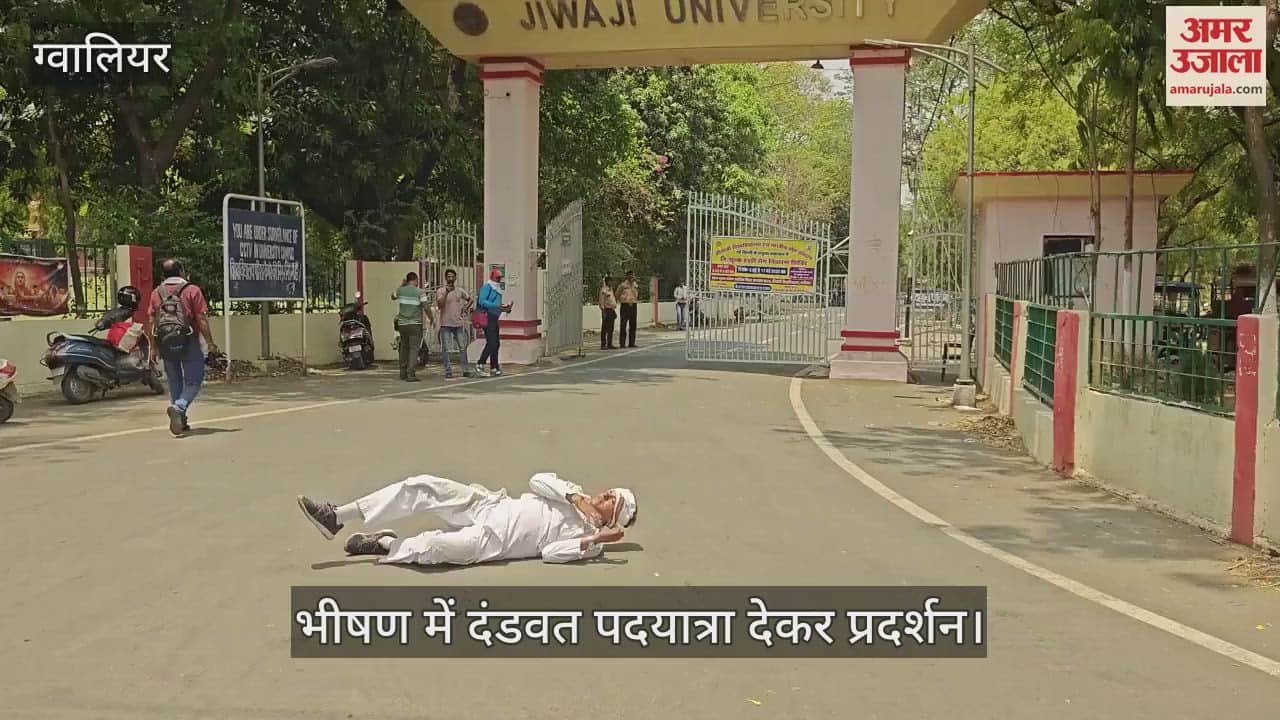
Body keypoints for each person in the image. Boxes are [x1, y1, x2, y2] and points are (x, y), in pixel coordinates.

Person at [296, 472, 638, 565]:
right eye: (609, 491)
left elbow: (550, 554)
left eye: (612, 499)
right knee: (423, 485)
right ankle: (337, 516)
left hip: (496, 543)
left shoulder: (593, 546)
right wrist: (573, 497)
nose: (604, 494)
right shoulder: (574, 492)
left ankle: (384, 543)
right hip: (490, 504)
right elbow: (536, 480)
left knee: (435, 547)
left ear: (615, 518)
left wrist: (592, 540)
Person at [146, 258, 217, 436]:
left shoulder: (156, 293)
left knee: (174, 380)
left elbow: (152, 322)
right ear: (182, 271)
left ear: (163, 275)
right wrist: (210, 342)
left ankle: (181, 421)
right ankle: (179, 407)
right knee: (195, 378)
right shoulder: (192, 290)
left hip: (165, 342)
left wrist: (153, 348)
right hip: (188, 340)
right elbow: (201, 319)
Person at [392, 272, 432, 382]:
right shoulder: (420, 292)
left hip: (402, 324)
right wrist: (431, 318)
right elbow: (426, 307)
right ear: (415, 280)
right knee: (414, 348)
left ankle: (402, 372)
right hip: (414, 324)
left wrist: (401, 285)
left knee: (404, 347)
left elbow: (392, 296)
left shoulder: (401, 290)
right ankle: (411, 374)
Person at [435, 268, 473, 379]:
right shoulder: (441, 291)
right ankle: (448, 370)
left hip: (458, 324)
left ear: (455, 278)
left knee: (462, 347)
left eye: (452, 276)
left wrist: (465, 308)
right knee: (445, 348)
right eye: (449, 277)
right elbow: (440, 305)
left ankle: (465, 370)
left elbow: (470, 300)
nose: (451, 278)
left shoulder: (460, 291)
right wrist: (447, 292)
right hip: (445, 324)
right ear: (445, 278)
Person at [476, 268, 512, 377]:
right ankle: (480, 364)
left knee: (496, 343)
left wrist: (505, 309)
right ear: (492, 277)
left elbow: (497, 304)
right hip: (487, 317)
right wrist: (496, 306)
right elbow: (482, 301)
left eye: (500, 278)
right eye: (497, 277)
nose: (499, 280)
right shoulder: (487, 287)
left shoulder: (498, 289)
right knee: (492, 343)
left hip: (494, 317)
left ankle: (494, 367)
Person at [617, 270, 640, 348]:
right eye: (630, 276)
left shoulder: (635, 285)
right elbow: (617, 294)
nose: (632, 277)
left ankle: (632, 342)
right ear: (627, 276)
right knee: (623, 324)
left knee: (633, 324)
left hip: (633, 305)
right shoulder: (623, 285)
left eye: (633, 276)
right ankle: (622, 343)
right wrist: (622, 300)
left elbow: (637, 294)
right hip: (625, 305)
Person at [598, 275, 617, 350]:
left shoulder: (611, 289)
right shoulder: (604, 290)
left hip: (612, 310)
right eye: (610, 281)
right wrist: (603, 312)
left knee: (611, 328)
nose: (611, 282)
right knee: (605, 328)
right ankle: (603, 344)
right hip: (606, 310)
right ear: (607, 282)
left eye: (612, 281)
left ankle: (610, 343)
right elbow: (601, 301)